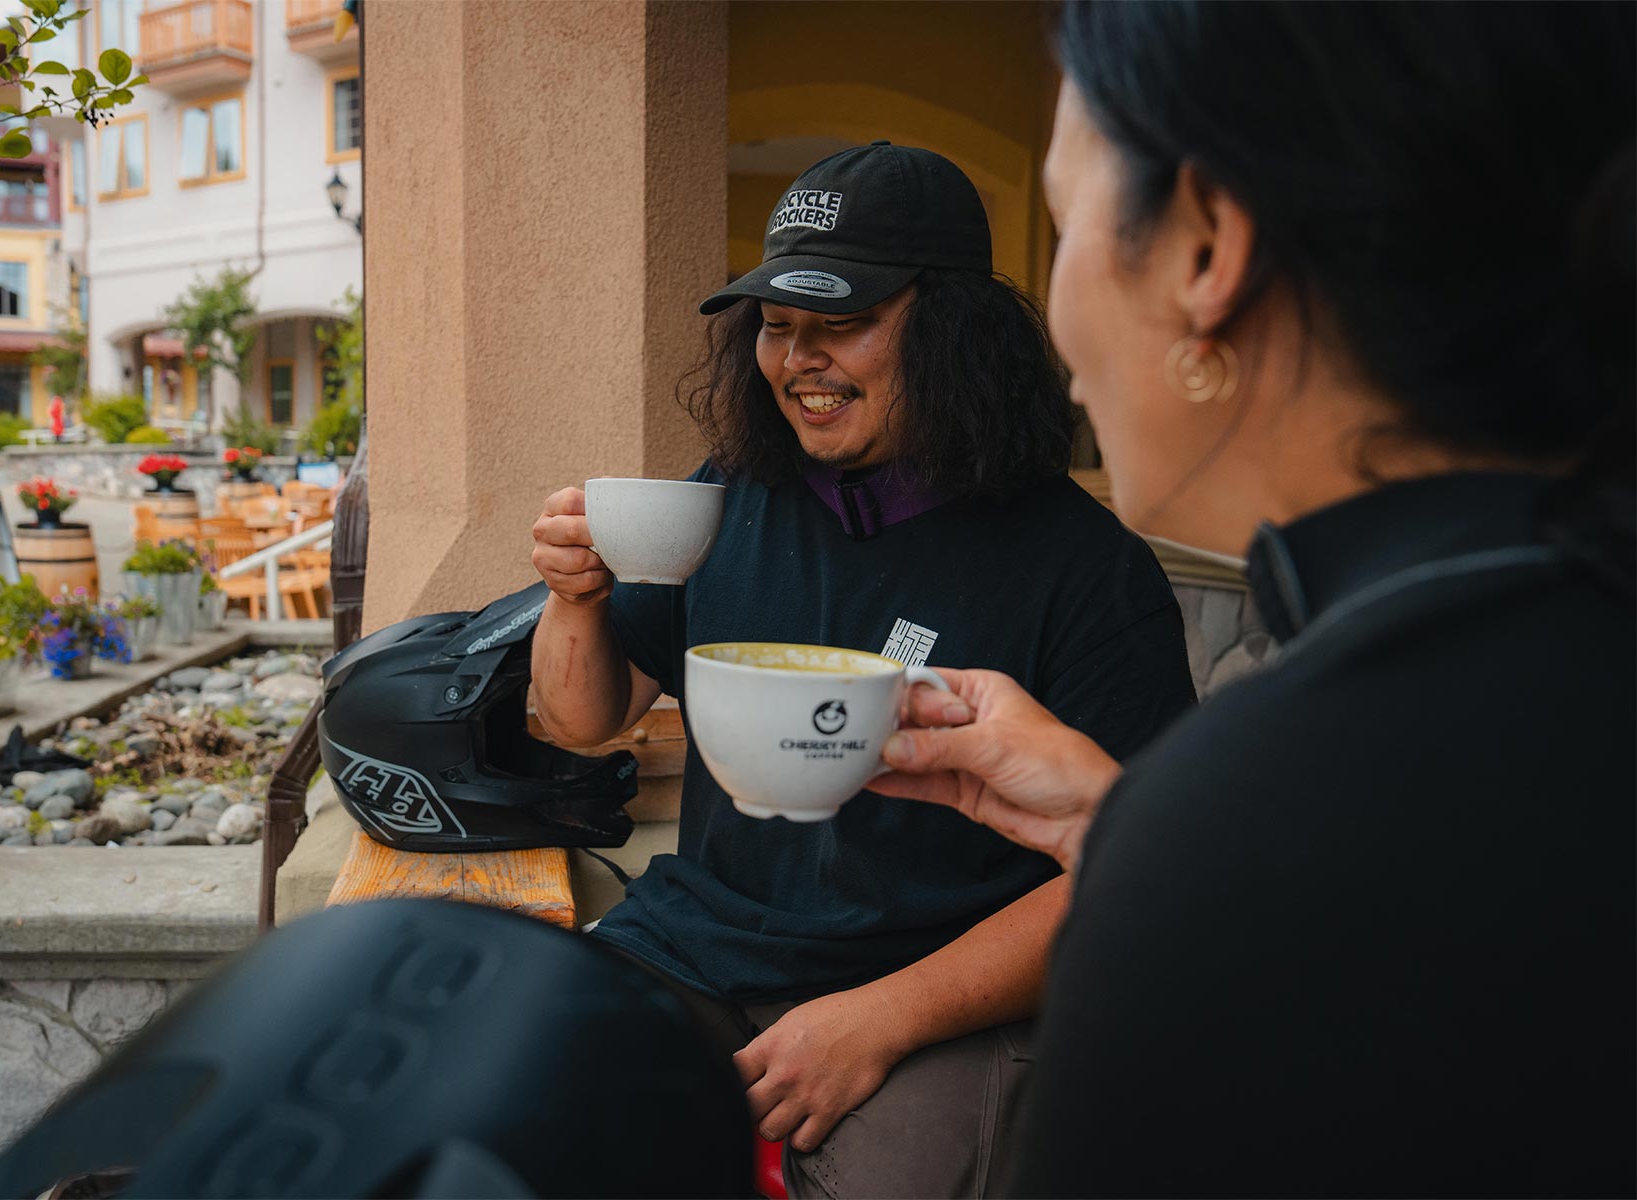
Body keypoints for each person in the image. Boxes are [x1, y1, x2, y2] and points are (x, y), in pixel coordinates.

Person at [874, 4, 1635, 1194]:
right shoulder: (1552, 650)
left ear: (1206, 249)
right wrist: (1125, 822)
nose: (1058, 325)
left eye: (1069, 226)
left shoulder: (1272, 805)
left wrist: (1182, 847)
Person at [529, 142, 1197, 1198]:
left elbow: (1126, 877)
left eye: (840, 323)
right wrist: (575, 595)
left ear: (951, 334)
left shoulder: (1087, 571)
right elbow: (583, 718)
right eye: (778, 328)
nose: (799, 360)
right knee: (522, 1102)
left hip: (942, 987)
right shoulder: (734, 497)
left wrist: (885, 1017)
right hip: (701, 941)